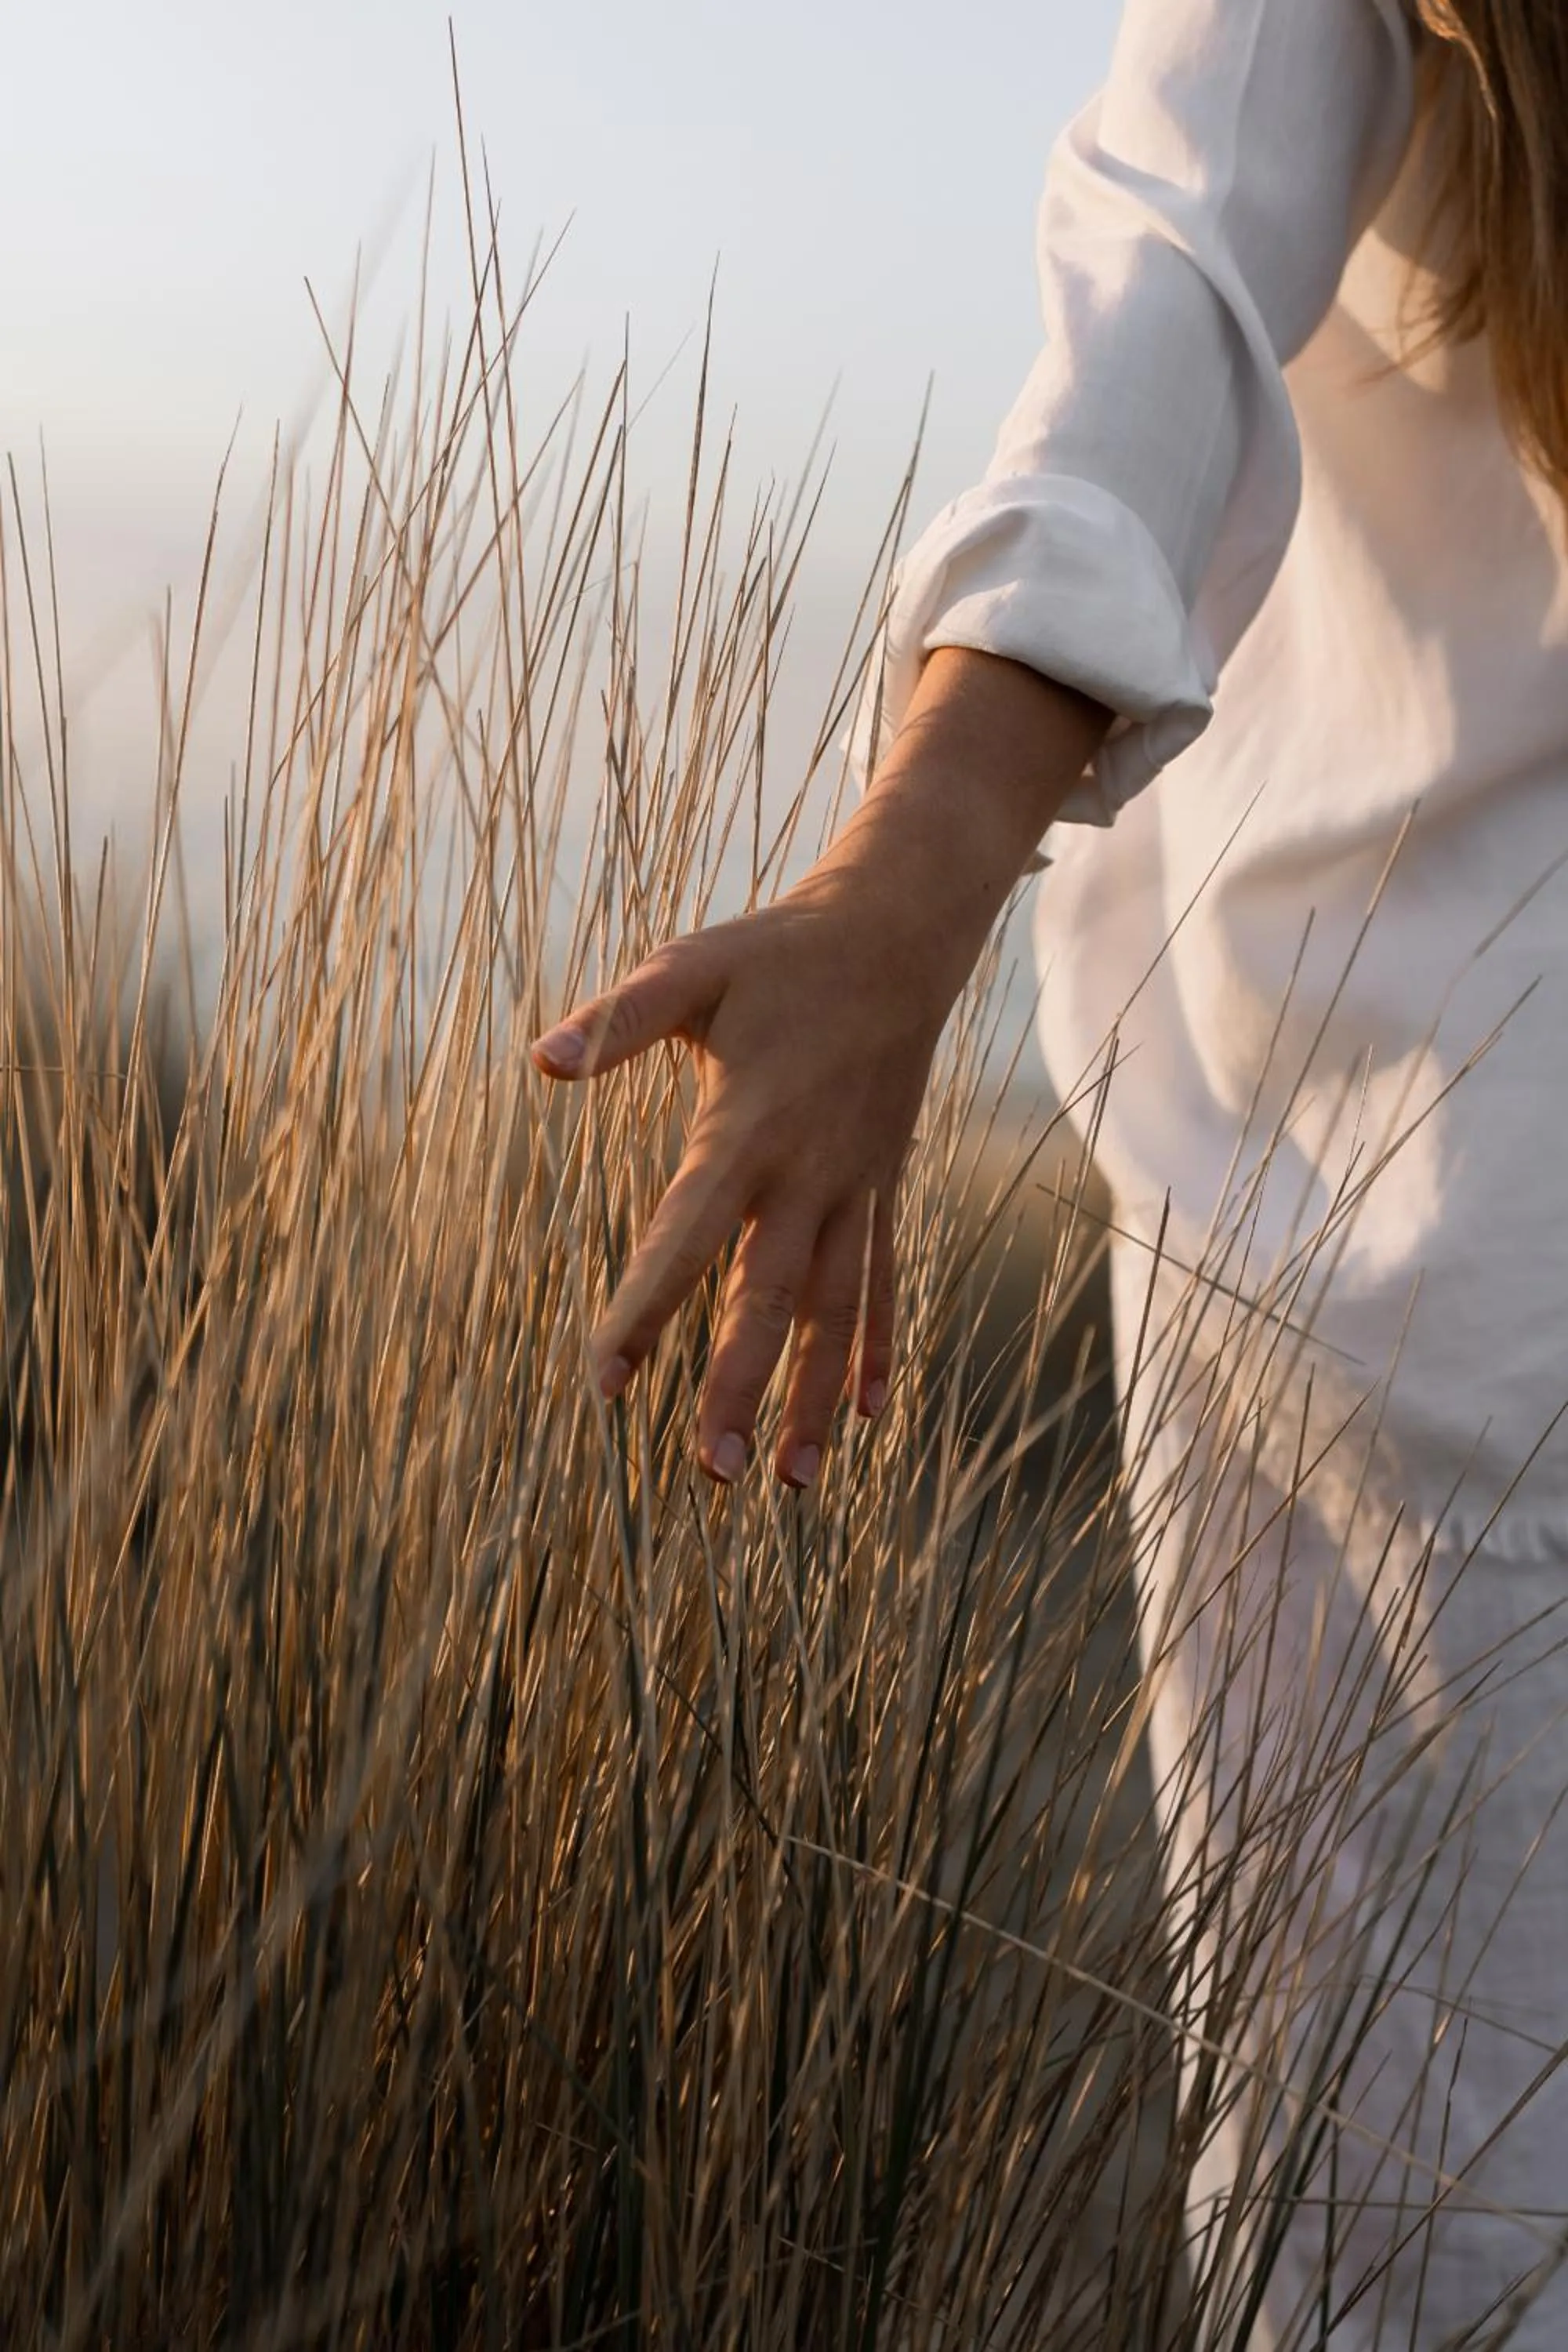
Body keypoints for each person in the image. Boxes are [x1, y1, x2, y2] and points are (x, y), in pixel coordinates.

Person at [532, 2, 1568, 2340]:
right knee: (1420, 2189)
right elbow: (1172, 286)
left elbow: (1159, 272)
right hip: (1420, 1241)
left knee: (1413, 2212)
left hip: (1400, 1204)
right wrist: (912, 884)